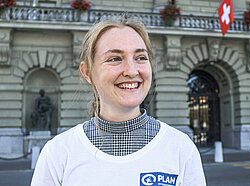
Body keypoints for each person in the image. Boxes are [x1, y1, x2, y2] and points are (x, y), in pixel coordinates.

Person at [31, 17, 206, 186]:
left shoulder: (181, 149)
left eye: (140, 58)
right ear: (87, 72)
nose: (132, 71)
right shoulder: (58, 153)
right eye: (115, 59)